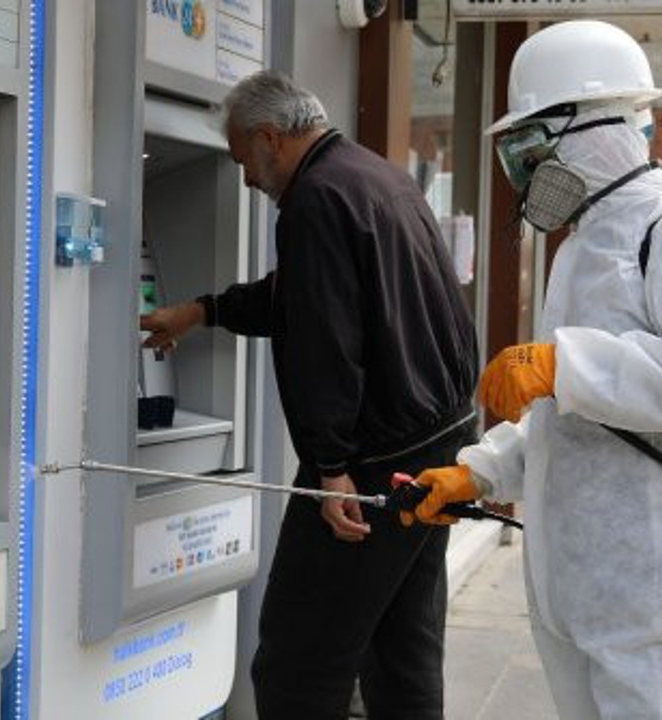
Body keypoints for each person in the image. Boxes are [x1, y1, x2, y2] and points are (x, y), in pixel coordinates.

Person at [408, 20, 662, 719]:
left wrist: (565, 362)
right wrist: (483, 470)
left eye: (530, 144)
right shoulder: (582, 249)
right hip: (584, 598)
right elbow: (577, 411)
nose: (520, 168)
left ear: (592, 128)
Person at [140, 71, 478, 719]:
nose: (245, 177)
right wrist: (204, 310)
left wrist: (332, 472)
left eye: (244, 158)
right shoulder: (376, 177)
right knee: (402, 649)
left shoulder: (316, 198)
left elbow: (326, 342)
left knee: (298, 662)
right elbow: (310, 297)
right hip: (441, 442)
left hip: (378, 459)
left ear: (270, 137)